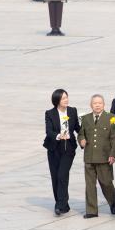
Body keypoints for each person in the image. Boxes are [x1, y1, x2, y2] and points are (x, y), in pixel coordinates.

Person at [77, 93, 115, 218]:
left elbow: (114, 138)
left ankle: (112, 202)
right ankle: (91, 211)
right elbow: (81, 133)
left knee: (106, 183)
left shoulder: (111, 118)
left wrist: (113, 155)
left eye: (100, 103)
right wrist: (81, 140)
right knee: (90, 185)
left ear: (104, 104)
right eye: (95, 103)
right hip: (89, 156)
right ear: (91, 105)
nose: (97, 105)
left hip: (104, 157)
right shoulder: (86, 118)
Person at [43, 88, 79, 216]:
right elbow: (49, 131)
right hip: (54, 148)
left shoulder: (72, 111)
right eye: (63, 98)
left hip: (68, 148)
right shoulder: (50, 113)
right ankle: (63, 203)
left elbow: (77, 127)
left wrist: (85, 136)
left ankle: (59, 205)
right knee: (55, 176)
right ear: (57, 100)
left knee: (62, 175)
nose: (66, 100)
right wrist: (58, 136)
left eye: (66, 97)